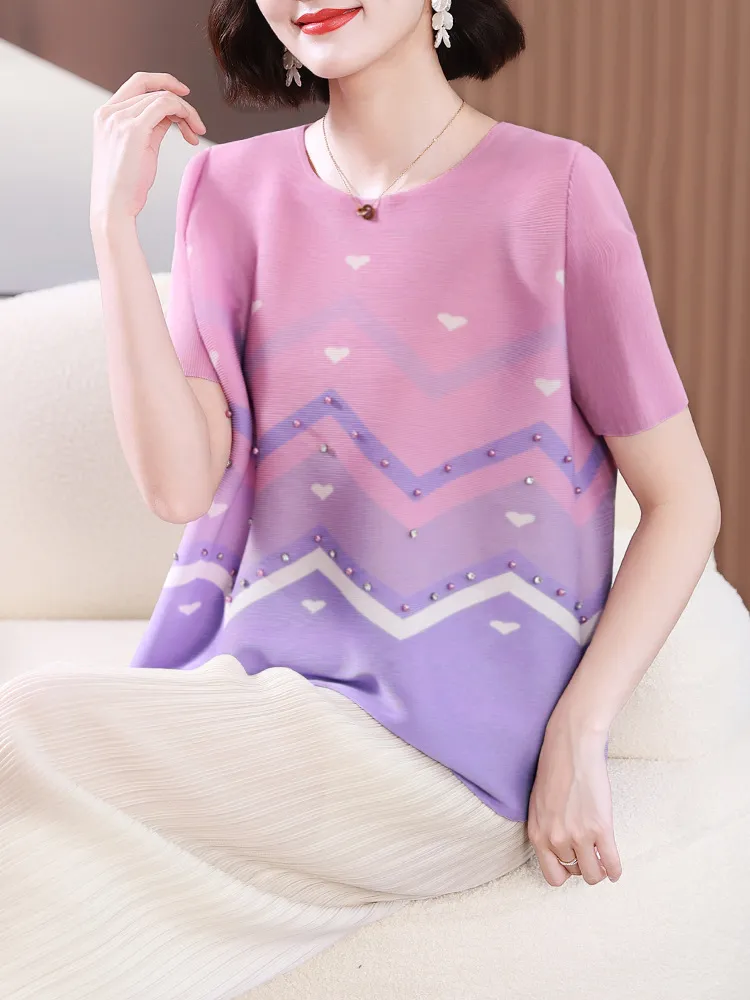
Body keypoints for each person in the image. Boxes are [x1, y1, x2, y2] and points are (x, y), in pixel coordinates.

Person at [1, 1, 721, 997]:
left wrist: (578, 732)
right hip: (259, 697)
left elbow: (684, 501)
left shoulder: (555, 190)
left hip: (451, 755)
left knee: (24, 729)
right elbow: (177, 485)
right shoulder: (228, 190)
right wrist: (111, 227)